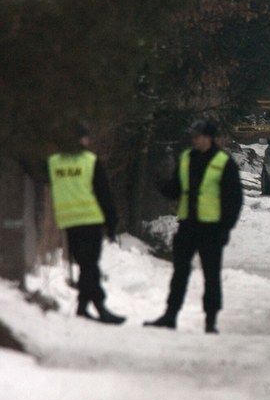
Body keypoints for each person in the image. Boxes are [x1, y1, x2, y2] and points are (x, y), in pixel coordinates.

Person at [144, 119, 243, 334]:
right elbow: (177, 189)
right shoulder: (187, 158)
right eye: (193, 136)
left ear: (208, 137)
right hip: (188, 226)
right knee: (180, 272)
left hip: (211, 229)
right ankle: (170, 315)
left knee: (211, 275)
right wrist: (162, 185)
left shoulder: (223, 162)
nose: (193, 139)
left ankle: (211, 320)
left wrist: (226, 227)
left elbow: (234, 199)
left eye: (197, 136)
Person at [47, 123, 125, 324]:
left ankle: (82, 307)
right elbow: (103, 193)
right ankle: (100, 306)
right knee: (90, 265)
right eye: (85, 137)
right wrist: (112, 221)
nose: (87, 141)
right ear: (81, 140)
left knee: (85, 264)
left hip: (69, 221)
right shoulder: (89, 161)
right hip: (90, 220)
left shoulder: (54, 162)